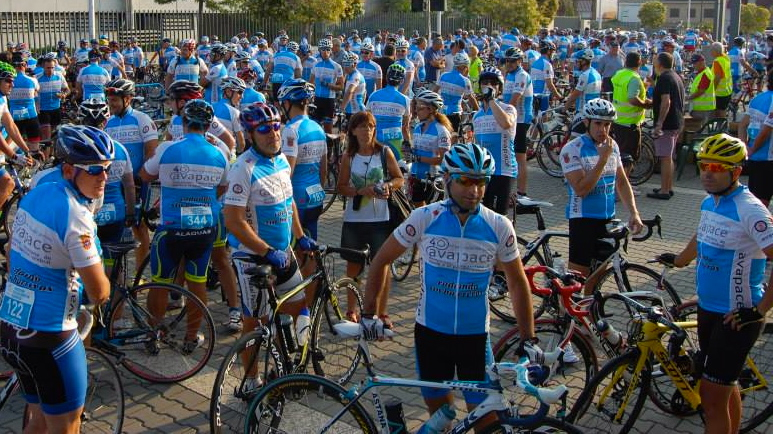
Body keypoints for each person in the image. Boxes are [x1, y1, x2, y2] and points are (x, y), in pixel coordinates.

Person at [359, 142, 541, 420]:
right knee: (441, 419)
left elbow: (516, 282)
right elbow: (381, 260)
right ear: (446, 179)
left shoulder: (499, 225)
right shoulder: (425, 217)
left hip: (475, 339)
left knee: (485, 421)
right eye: (465, 180)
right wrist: (369, 313)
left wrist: (529, 338)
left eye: (481, 182)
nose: (475, 190)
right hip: (431, 336)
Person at [657, 133, 773, 434]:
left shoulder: (751, 210)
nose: (707, 172)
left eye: (717, 167)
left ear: (736, 172)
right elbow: (703, 233)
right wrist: (681, 260)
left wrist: (760, 310)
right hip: (708, 309)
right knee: (724, 385)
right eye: (704, 164)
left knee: (710, 398)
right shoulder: (711, 202)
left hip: (737, 317)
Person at [0, 125, 111, 434]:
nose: (104, 177)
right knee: (66, 426)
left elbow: (10, 250)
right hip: (51, 338)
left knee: (36, 419)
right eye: (94, 170)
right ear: (68, 170)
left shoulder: (37, 193)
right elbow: (99, 291)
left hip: (11, 328)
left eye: (107, 169)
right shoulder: (77, 215)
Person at [223, 102, 316, 369]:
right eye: (264, 129)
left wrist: (299, 236)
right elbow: (234, 221)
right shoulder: (243, 167)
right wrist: (266, 251)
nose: (273, 133)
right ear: (251, 134)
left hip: (283, 253)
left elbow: (290, 203)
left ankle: (288, 364)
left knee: (298, 307)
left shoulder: (282, 161)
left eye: (276, 126)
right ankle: (252, 380)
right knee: (255, 324)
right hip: (253, 258)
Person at [140, 100, 229, 352]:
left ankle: (153, 333)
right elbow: (221, 188)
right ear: (208, 126)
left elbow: (145, 175)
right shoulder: (219, 153)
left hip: (172, 229)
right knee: (197, 283)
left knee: (160, 282)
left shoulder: (168, 147)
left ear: (184, 123)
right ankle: (191, 337)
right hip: (204, 229)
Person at [559, 98, 643, 295]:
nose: (602, 129)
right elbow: (581, 189)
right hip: (583, 220)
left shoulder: (612, 145)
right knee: (577, 280)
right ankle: (566, 319)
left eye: (607, 124)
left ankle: (587, 316)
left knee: (596, 278)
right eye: (598, 123)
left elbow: (621, 182)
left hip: (607, 218)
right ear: (587, 122)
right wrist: (602, 159)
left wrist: (634, 213)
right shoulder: (572, 149)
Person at [337, 111, 403, 327]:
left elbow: (399, 178)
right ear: (353, 130)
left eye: (371, 126)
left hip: (381, 219)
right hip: (355, 220)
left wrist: (388, 185)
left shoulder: (384, 152)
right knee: (353, 268)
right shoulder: (348, 157)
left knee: (382, 265)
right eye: (362, 127)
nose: (367, 131)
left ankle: (381, 312)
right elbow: (341, 187)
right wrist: (359, 191)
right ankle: (351, 310)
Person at [103, 78, 159, 264]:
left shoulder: (142, 119)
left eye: (115, 101)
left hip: (136, 181)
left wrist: (140, 178)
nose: (111, 104)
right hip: (113, 184)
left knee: (139, 224)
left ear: (128, 99)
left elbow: (152, 151)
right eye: (109, 100)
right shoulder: (108, 122)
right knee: (115, 222)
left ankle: (140, 266)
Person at [474, 66, 516, 215]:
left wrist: (491, 100)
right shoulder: (477, 116)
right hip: (484, 173)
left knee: (499, 217)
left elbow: (506, 123)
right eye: (485, 82)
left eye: (494, 83)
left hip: (503, 171)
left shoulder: (508, 108)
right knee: (483, 215)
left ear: (500, 88)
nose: (489, 86)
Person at [648, 52, 684, 201]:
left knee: (665, 157)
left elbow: (666, 101)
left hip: (668, 124)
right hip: (676, 122)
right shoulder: (675, 76)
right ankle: (668, 187)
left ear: (660, 64)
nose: (653, 62)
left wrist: (659, 124)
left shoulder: (664, 78)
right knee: (669, 157)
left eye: (655, 60)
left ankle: (664, 190)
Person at [611, 51, 651, 182]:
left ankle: (621, 184)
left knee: (621, 155)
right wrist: (645, 105)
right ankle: (623, 186)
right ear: (639, 63)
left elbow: (624, 90)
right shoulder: (634, 78)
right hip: (630, 123)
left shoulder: (620, 74)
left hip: (618, 119)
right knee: (628, 158)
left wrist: (643, 87)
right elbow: (632, 98)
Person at [409, 89, 452, 207]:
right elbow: (416, 151)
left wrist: (417, 158)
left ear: (431, 109)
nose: (416, 111)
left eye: (420, 107)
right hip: (417, 176)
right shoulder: (418, 127)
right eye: (416, 107)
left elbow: (442, 159)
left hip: (433, 179)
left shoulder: (441, 131)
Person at [503, 50, 534, 199]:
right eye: (507, 60)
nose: (508, 63)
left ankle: (522, 193)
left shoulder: (522, 75)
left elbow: (514, 99)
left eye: (512, 61)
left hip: (520, 120)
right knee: (511, 156)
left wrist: (503, 117)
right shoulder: (509, 74)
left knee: (520, 157)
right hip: (512, 119)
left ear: (519, 61)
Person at [739, 72, 773, 206]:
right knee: (761, 204)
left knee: (756, 201)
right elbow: (766, 131)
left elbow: (742, 124)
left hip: (755, 159)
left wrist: (744, 146)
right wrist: (753, 149)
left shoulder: (757, 98)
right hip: (767, 159)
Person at [366, 64, 411, 161]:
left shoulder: (374, 95)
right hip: (395, 139)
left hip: (376, 138)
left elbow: (367, 119)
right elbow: (405, 127)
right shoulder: (405, 99)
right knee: (398, 170)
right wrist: (408, 145)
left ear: (386, 77)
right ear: (402, 81)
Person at [436, 52, 477, 135]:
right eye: (466, 66)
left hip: (442, 110)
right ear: (462, 66)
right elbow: (471, 98)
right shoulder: (465, 80)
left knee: (442, 135)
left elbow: (434, 91)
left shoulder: (443, 75)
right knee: (454, 136)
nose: (467, 69)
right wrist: (478, 111)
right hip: (455, 112)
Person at [309, 39, 344, 134]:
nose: (326, 52)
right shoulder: (315, 64)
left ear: (331, 50)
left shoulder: (337, 66)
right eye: (323, 49)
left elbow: (341, 86)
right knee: (315, 129)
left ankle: (330, 148)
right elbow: (310, 83)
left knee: (328, 130)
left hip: (329, 100)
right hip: (317, 100)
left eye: (328, 49)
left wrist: (328, 85)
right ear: (319, 50)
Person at [35, 55, 69, 142]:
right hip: (43, 109)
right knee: (46, 134)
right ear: (43, 67)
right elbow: (32, 93)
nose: (50, 70)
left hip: (56, 108)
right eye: (48, 68)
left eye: (52, 68)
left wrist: (64, 95)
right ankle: (46, 154)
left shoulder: (59, 76)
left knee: (54, 133)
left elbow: (67, 89)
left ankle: (51, 154)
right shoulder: (37, 78)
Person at [686, 53, 715, 123]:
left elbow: (701, 91)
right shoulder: (702, 73)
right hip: (702, 108)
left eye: (695, 63)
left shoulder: (705, 74)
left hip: (703, 109)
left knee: (701, 130)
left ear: (701, 62)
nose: (694, 65)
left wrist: (689, 98)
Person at [710, 42, 733, 119]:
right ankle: (723, 127)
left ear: (715, 51)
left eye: (711, 50)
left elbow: (717, 77)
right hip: (727, 90)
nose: (710, 52)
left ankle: (721, 128)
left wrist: (712, 90)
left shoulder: (717, 61)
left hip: (719, 92)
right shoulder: (726, 58)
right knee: (723, 111)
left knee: (719, 113)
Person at [340, 53, 367, 118]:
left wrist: (342, 107)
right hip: (350, 109)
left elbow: (350, 91)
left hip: (356, 110)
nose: (345, 67)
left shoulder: (356, 76)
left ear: (354, 65)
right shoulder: (349, 75)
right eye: (344, 64)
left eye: (347, 64)